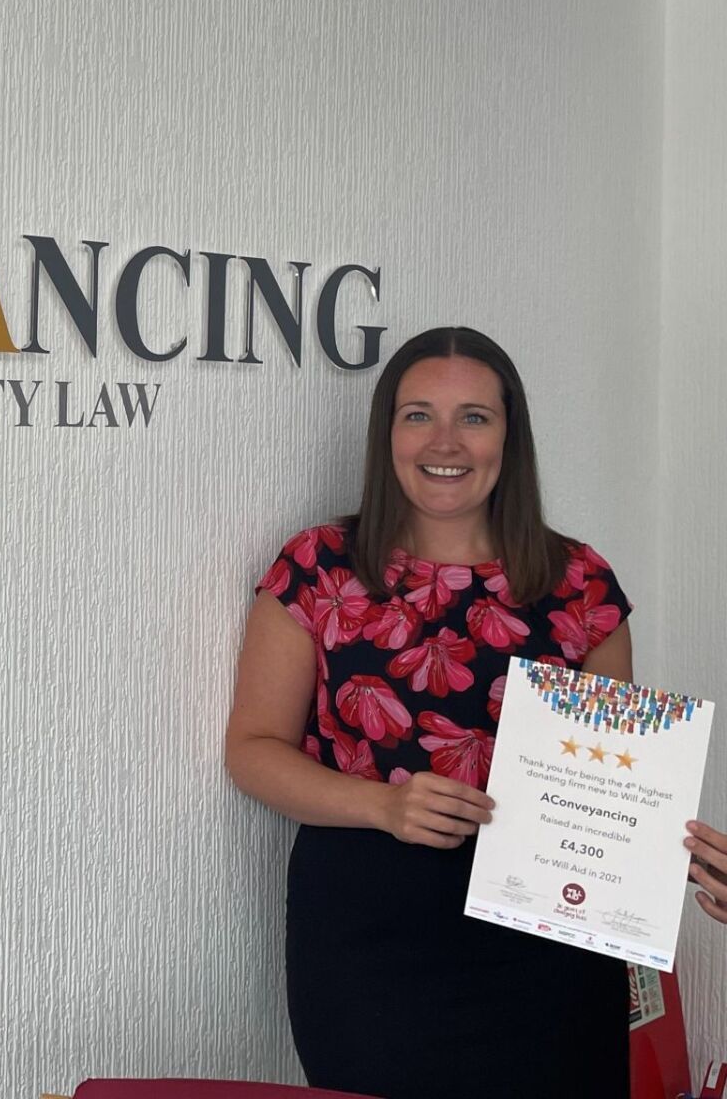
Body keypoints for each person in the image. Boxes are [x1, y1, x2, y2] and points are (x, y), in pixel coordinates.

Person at [225, 326, 727, 1099]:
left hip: (550, 938)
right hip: (369, 929)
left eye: (475, 418)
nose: (445, 441)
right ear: (386, 432)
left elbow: (611, 790)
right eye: (418, 415)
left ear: (509, 435)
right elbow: (253, 749)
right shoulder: (318, 568)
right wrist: (384, 805)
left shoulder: (582, 586)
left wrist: (677, 858)